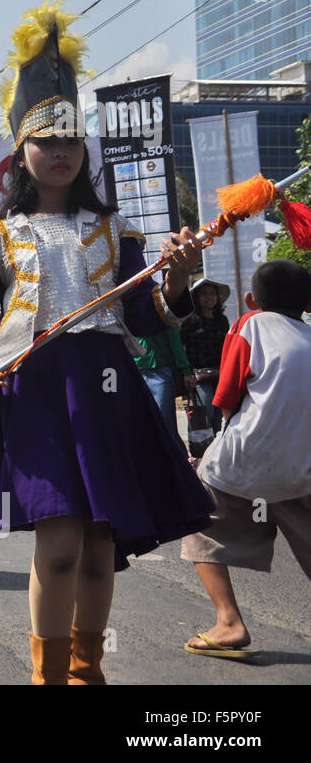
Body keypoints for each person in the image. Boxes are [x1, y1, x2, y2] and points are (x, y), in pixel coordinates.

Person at [0, 0, 214, 685]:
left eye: (71, 141)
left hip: (108, 389)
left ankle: (86, 670)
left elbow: (148, 317)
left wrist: (178, 281)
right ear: (21, 154)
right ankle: (47, 674)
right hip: (36, 389)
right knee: (60, 543)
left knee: (101, 547)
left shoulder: (116, 230)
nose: (60, 152)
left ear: (83, 151)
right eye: (46, 141)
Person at [181, 260, 311, 658]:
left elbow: (227, 397)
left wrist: (216, 446)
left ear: (252, 300)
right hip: (303, 468)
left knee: (197, 519)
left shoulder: (247, 325)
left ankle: (229, 623)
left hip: (245, 460)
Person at [179, 278, 231, 437]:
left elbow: (227, 348)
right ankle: (201, 449)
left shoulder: (221, 320)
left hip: (221, 374)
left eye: (212, 293)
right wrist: (186, 372)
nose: (209, 297)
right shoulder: (189, 321)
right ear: (197, 298)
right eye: (204, 294)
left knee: (218, 414)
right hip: (199, 376)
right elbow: (182, 347)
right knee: (205, 412)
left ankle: (215, 446)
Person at [133, 326, 193, 447]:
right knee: (142, 422)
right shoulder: (128, 312)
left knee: (165, 421)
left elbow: (175, 342)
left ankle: (179, 459)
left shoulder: (161, 311)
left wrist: (186, 370)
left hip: (161, 371)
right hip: (136, 371)